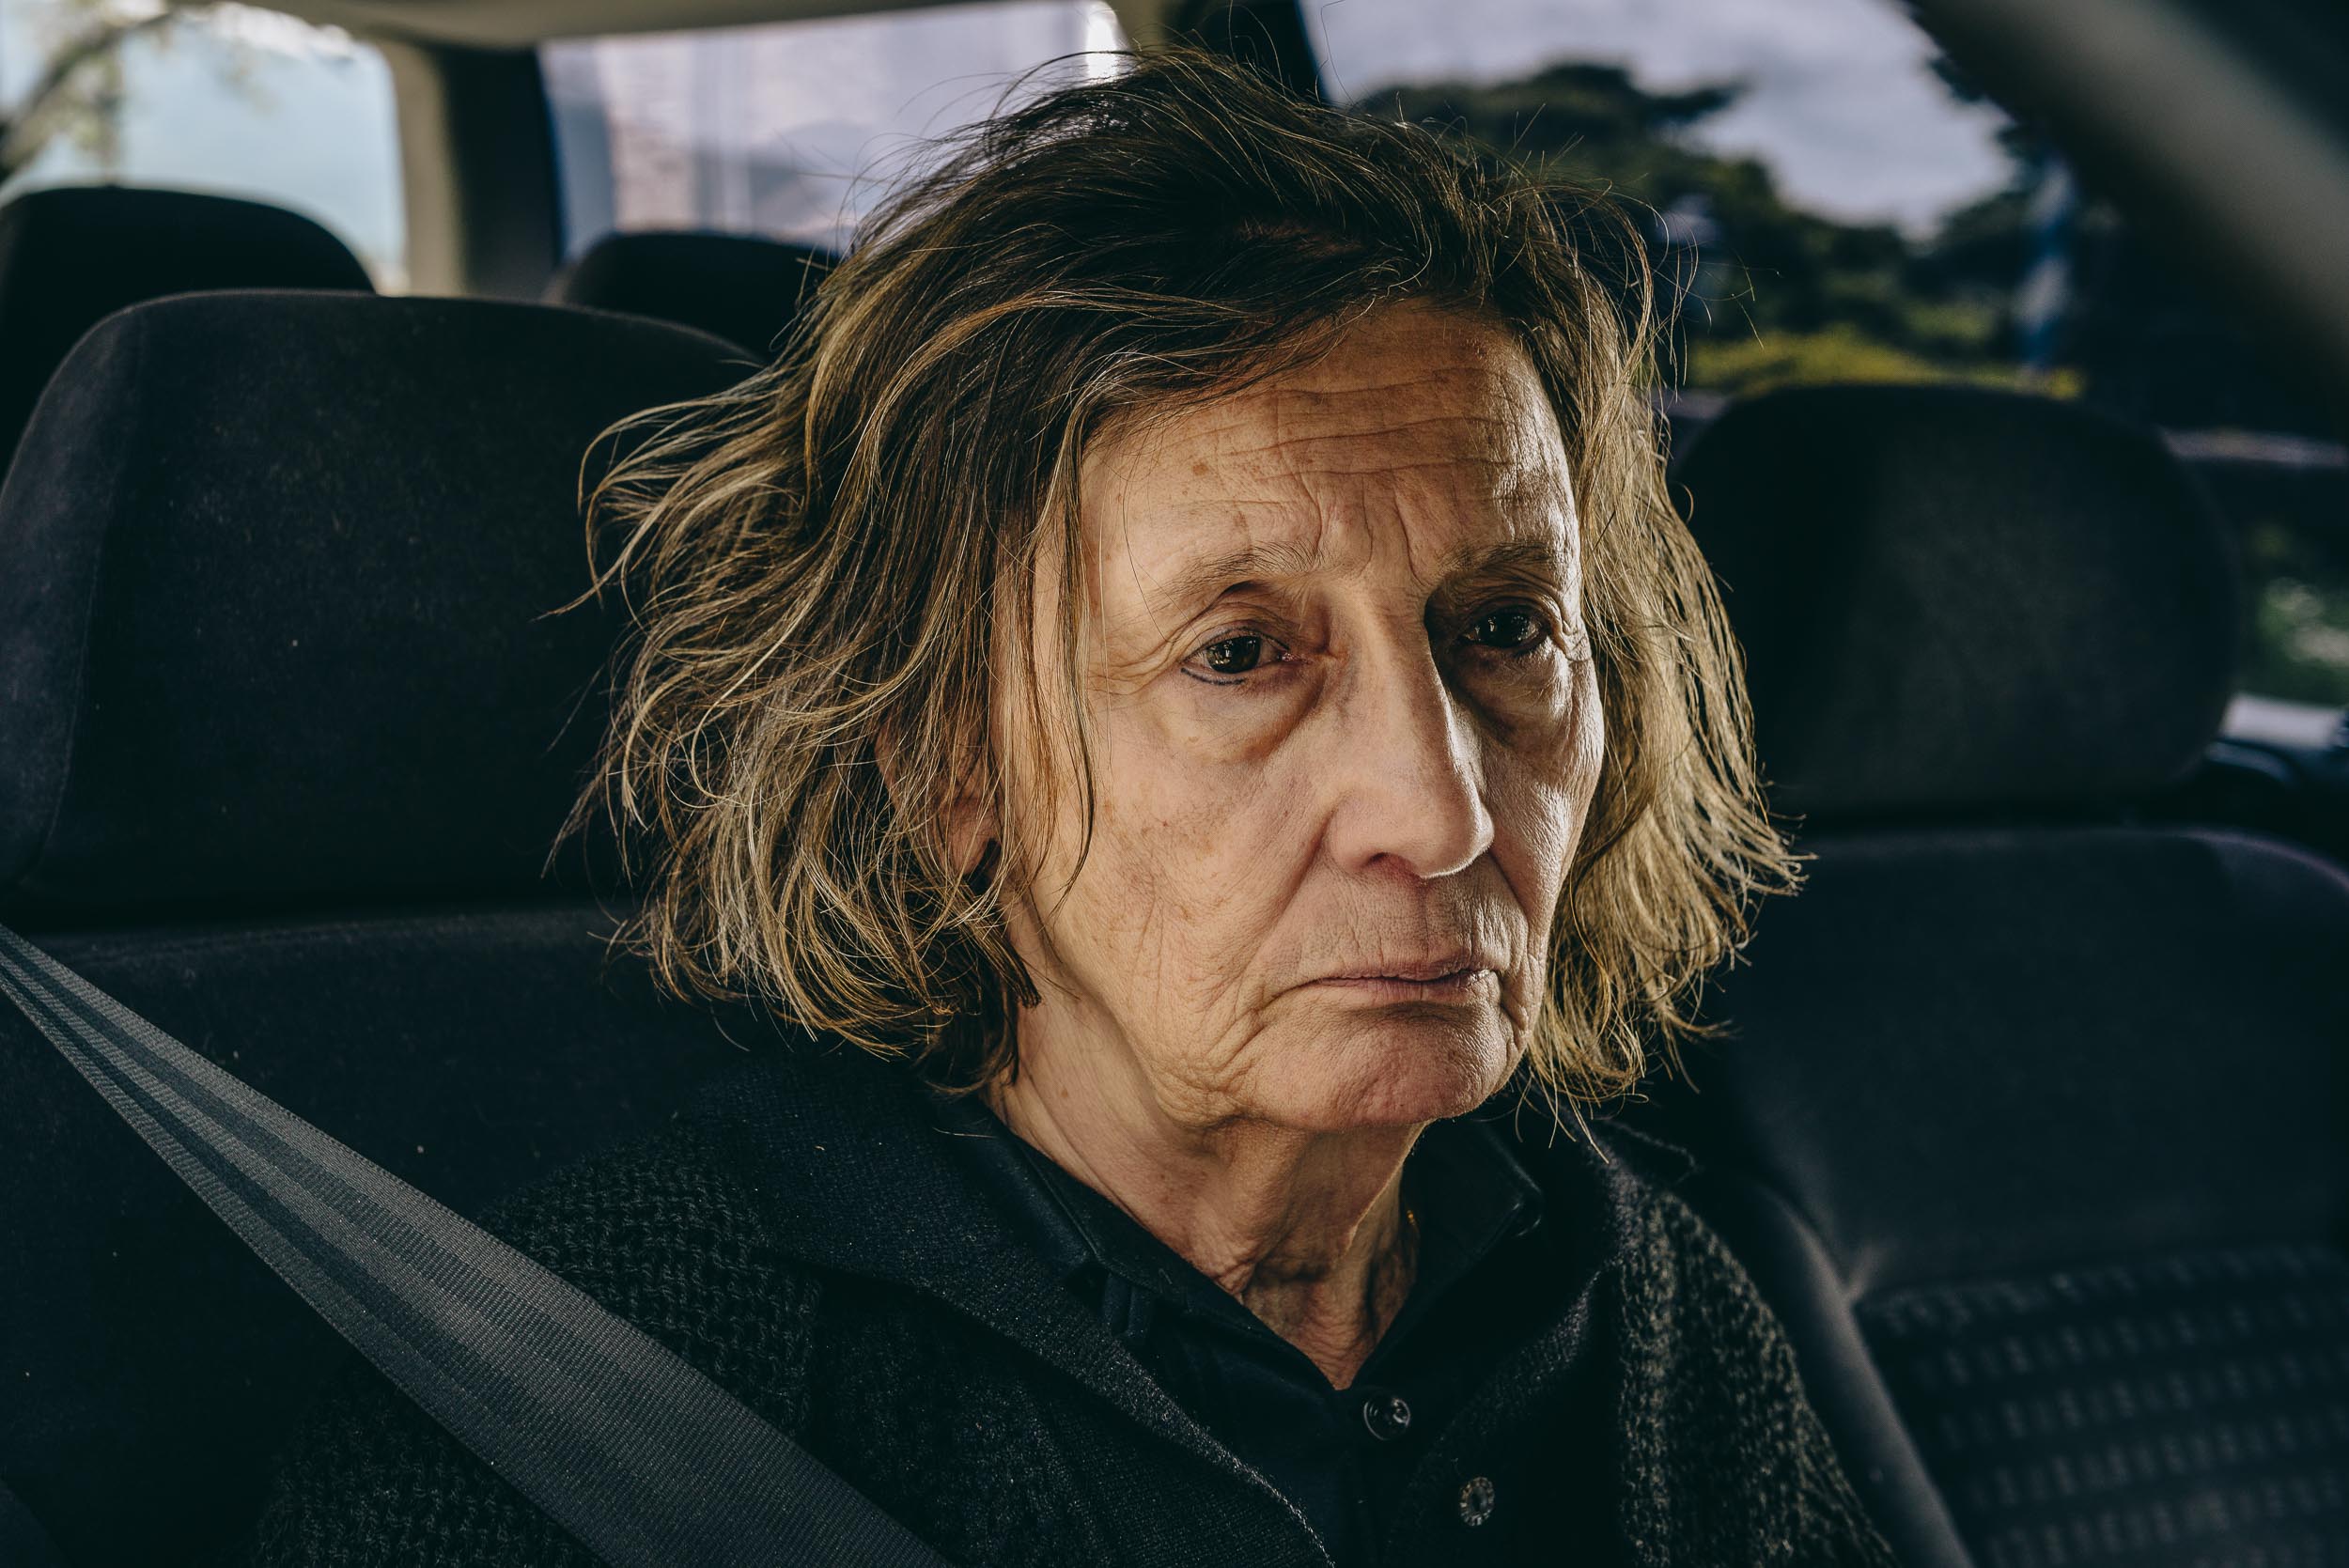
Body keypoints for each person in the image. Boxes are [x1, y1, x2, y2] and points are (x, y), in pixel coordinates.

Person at [242, 45, 1899, 1568]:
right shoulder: (592, 1405)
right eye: (1240, 652)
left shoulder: (1645, 1304)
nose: (1441, 809)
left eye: (1506, 629)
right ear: (944, 761)